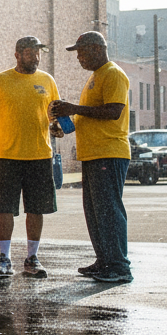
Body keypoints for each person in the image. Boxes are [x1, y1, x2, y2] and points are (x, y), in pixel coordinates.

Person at [0, 36, 60, 278]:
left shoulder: (47, 80)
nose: (36, 57)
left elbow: (55, 115)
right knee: (5, 209)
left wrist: (58, 127)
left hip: (40, 155)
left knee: (36, 209)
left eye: (39, 52)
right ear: (18, 54)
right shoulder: (0, 81)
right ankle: (5, 258)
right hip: (8, 156)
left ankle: (32, 258)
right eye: (31, 52)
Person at [50, 31, 132, 284]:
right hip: (94, 155)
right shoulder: (96, 77)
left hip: (110, 153)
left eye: (82, 52)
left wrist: (73, 108)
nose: (79, 58)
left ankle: (119, 267)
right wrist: (65, 126)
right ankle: (104, 261)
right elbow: (91, 115)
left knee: (109, 210)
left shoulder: (113, 74)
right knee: (95, 212)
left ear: (97, 49)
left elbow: (113, 111)